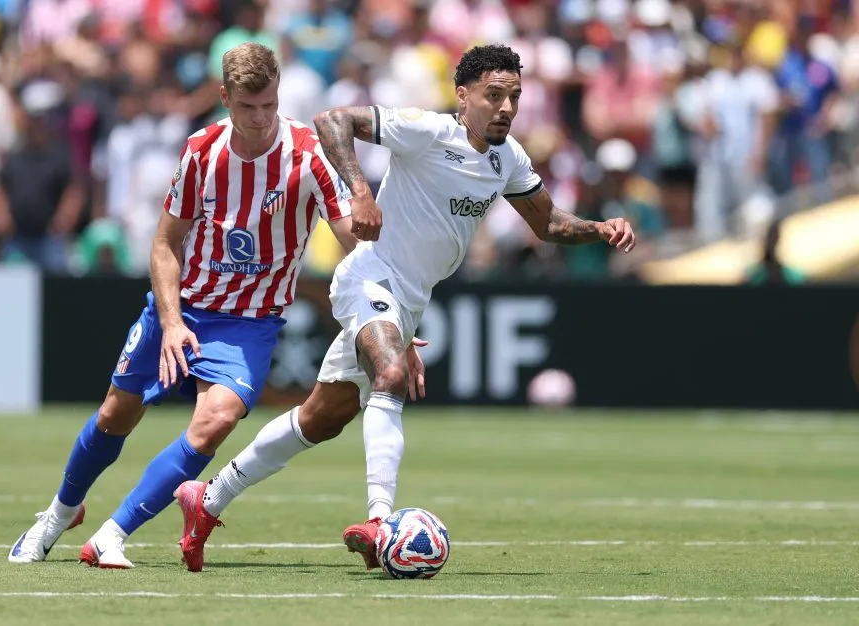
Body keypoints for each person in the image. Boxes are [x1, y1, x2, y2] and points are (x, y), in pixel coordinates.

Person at [173, 44, 637, 572]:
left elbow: (548, 224)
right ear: (463, 97)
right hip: (368, 275)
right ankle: (380, 522)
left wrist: (601, 229)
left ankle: (206, 500)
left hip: (409, 299)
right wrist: (360, 192)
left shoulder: (509, 160)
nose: (506, 108)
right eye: (494, 96)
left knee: (321, 419)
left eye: (514, 97)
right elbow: (332, 121)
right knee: (391, 372)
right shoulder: (428, 130)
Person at [7, 42, 364, 568]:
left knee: (215, 420)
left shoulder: (309, 155)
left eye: (269, 105)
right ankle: (60, 513)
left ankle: (112, 533)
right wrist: (172, 323)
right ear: (224, 98)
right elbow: (164, 244)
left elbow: (351, 241)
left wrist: (385, 305)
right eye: (247, 107)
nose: (261, 118)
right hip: (183, 307)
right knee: (115, 415)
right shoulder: (202, 151)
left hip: (251, 321)